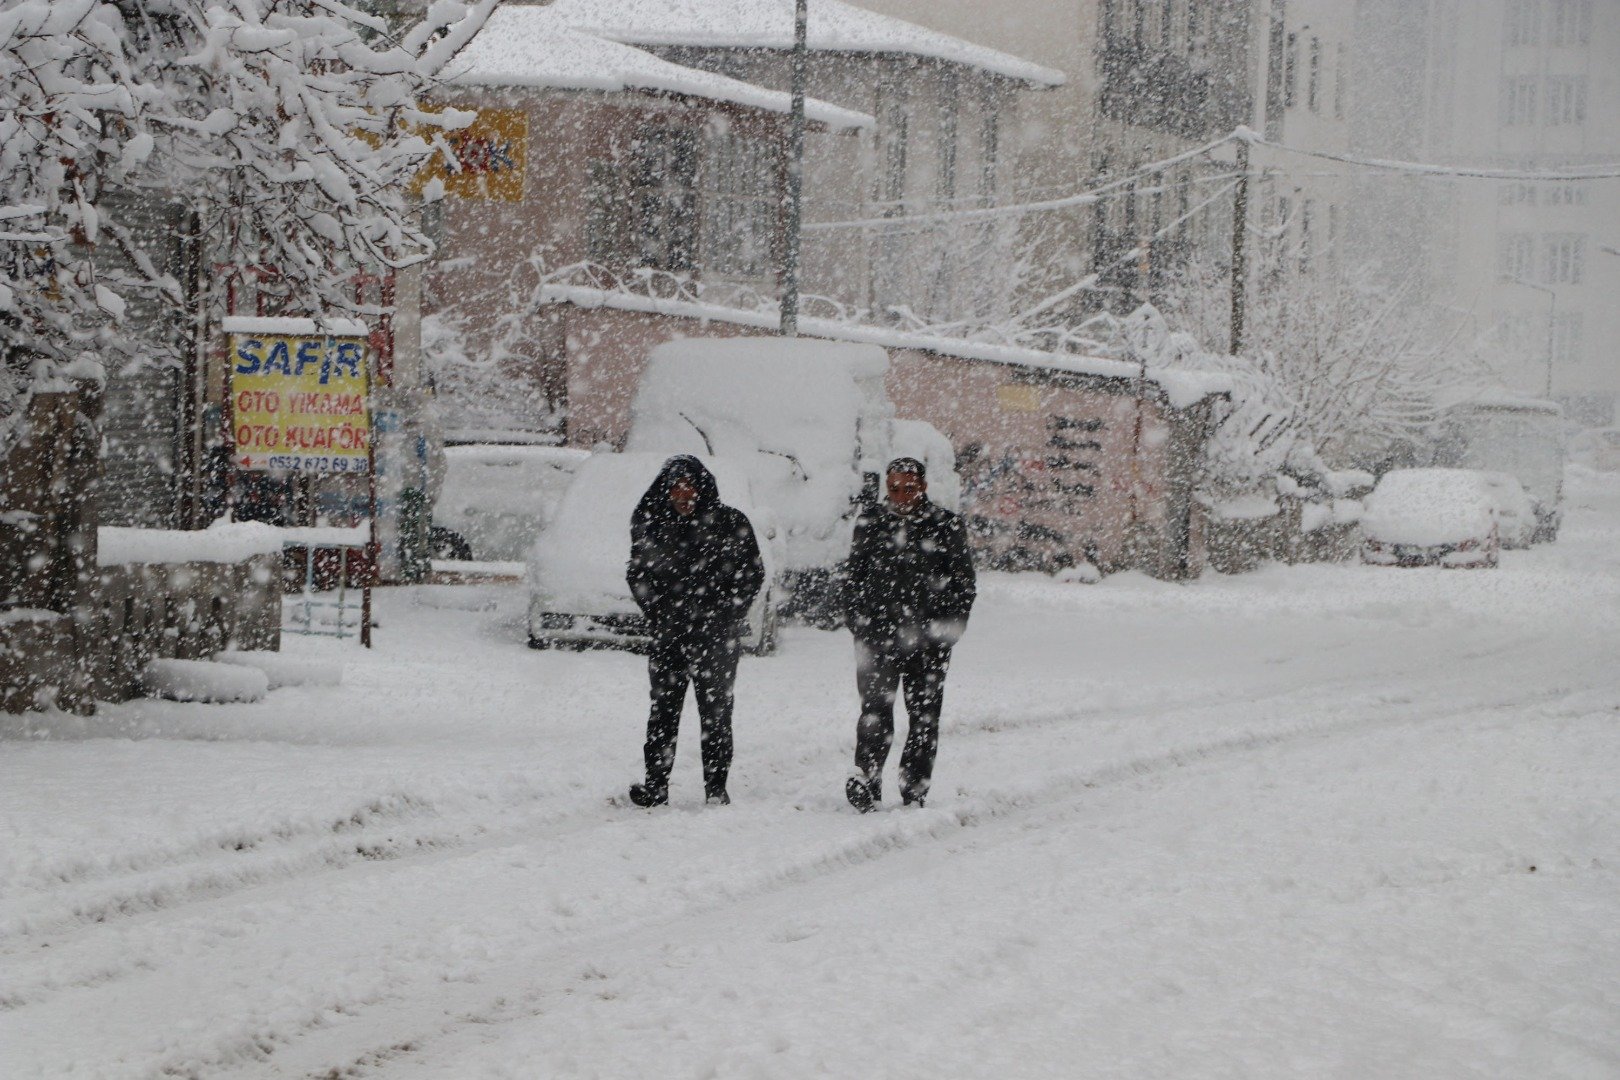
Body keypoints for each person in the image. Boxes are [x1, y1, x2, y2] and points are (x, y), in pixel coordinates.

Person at [625, 455, 764, 807]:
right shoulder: (653, 524)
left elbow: (752, 574)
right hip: (668, 638)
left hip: (715, 638)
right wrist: (658, 613)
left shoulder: (730, 523)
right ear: (666, 490)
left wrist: (728, 613)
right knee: (663, 714)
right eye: (676, 487)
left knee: (715, 714)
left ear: (703, 488)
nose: (684, 494)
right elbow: (638, 573)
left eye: (690, 486)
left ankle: (716, 789)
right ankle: (655, 786)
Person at [842, 456, 976, 812]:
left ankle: (914, 788)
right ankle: (867, 781)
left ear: (924, 488)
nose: (901, 496)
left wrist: (945, 630)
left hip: (929, 643)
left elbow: (964, 585)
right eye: (894, 489)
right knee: (874, 712)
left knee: (923, 717)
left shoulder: (946, 526)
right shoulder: (870, 523)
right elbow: (853, 578)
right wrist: (859, 622)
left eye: (909, 489)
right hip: (878, 638)